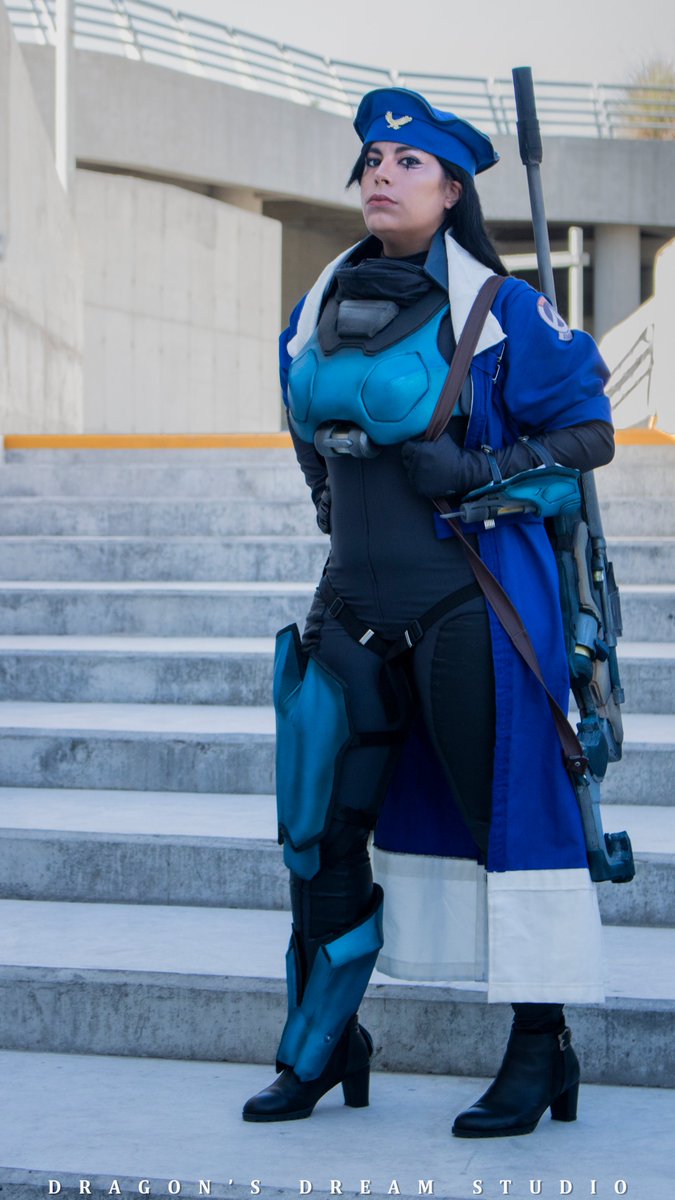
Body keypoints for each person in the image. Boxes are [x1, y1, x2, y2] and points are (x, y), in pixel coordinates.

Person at [242, 87, 614, 1137]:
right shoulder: (315, 307)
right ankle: (324, 1042)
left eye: (408, 162)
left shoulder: (505, 310)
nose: (382, 172)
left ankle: (541, 1050)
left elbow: (588, 435)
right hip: (349, 607)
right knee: (317, 833)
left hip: (468, 603)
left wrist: (480, 471)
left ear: (452, 192)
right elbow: (306, 428)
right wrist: (328, 501)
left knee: (512, 826)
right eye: (371, 158)